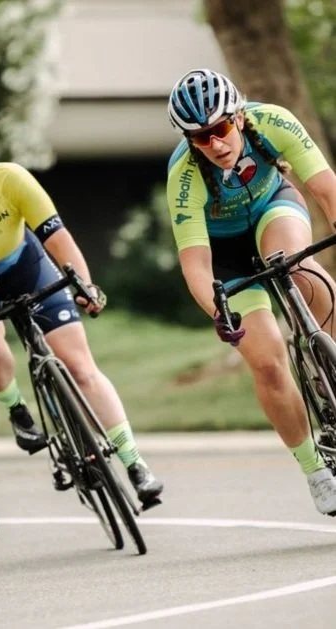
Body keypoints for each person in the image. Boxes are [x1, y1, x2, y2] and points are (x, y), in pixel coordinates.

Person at [0, 123, 163, 508]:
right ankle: (15, 406)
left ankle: (134, 462)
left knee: (80, 366)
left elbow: (57, 239)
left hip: (25, 265)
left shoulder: (11, 179)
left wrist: (85, 287)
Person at [166, 68, 336, 516]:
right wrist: (217, 309)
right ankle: (316, 471)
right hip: (224, 253)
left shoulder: (274, 121)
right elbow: (196, 263)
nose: (215, 144)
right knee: (266, 362)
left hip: (272, 210)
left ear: (238, 116)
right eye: (200, 138)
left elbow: (325, 188)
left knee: (298, 266)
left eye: (220, 129)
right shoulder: (183, 175)